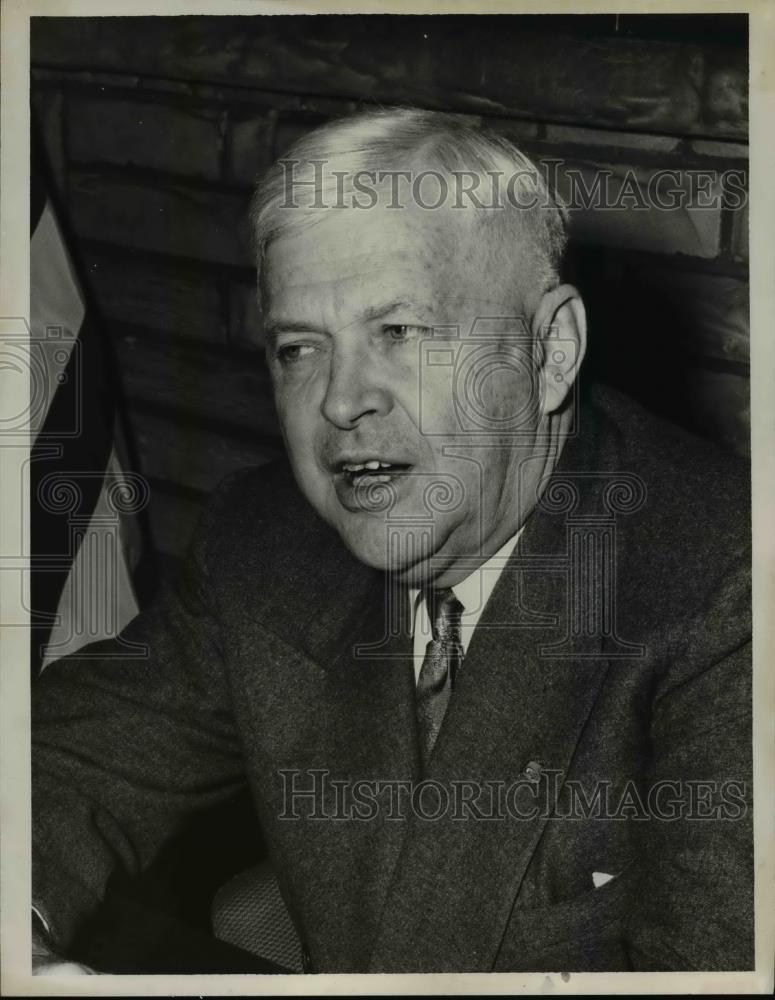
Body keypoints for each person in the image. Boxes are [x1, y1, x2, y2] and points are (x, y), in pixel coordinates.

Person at [31, 108, 752, 974]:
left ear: (550, 350)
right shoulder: (267, 541)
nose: (340, 402)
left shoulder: (730, 588)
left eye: (398, 333)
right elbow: (66, 759)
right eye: (300, 347)